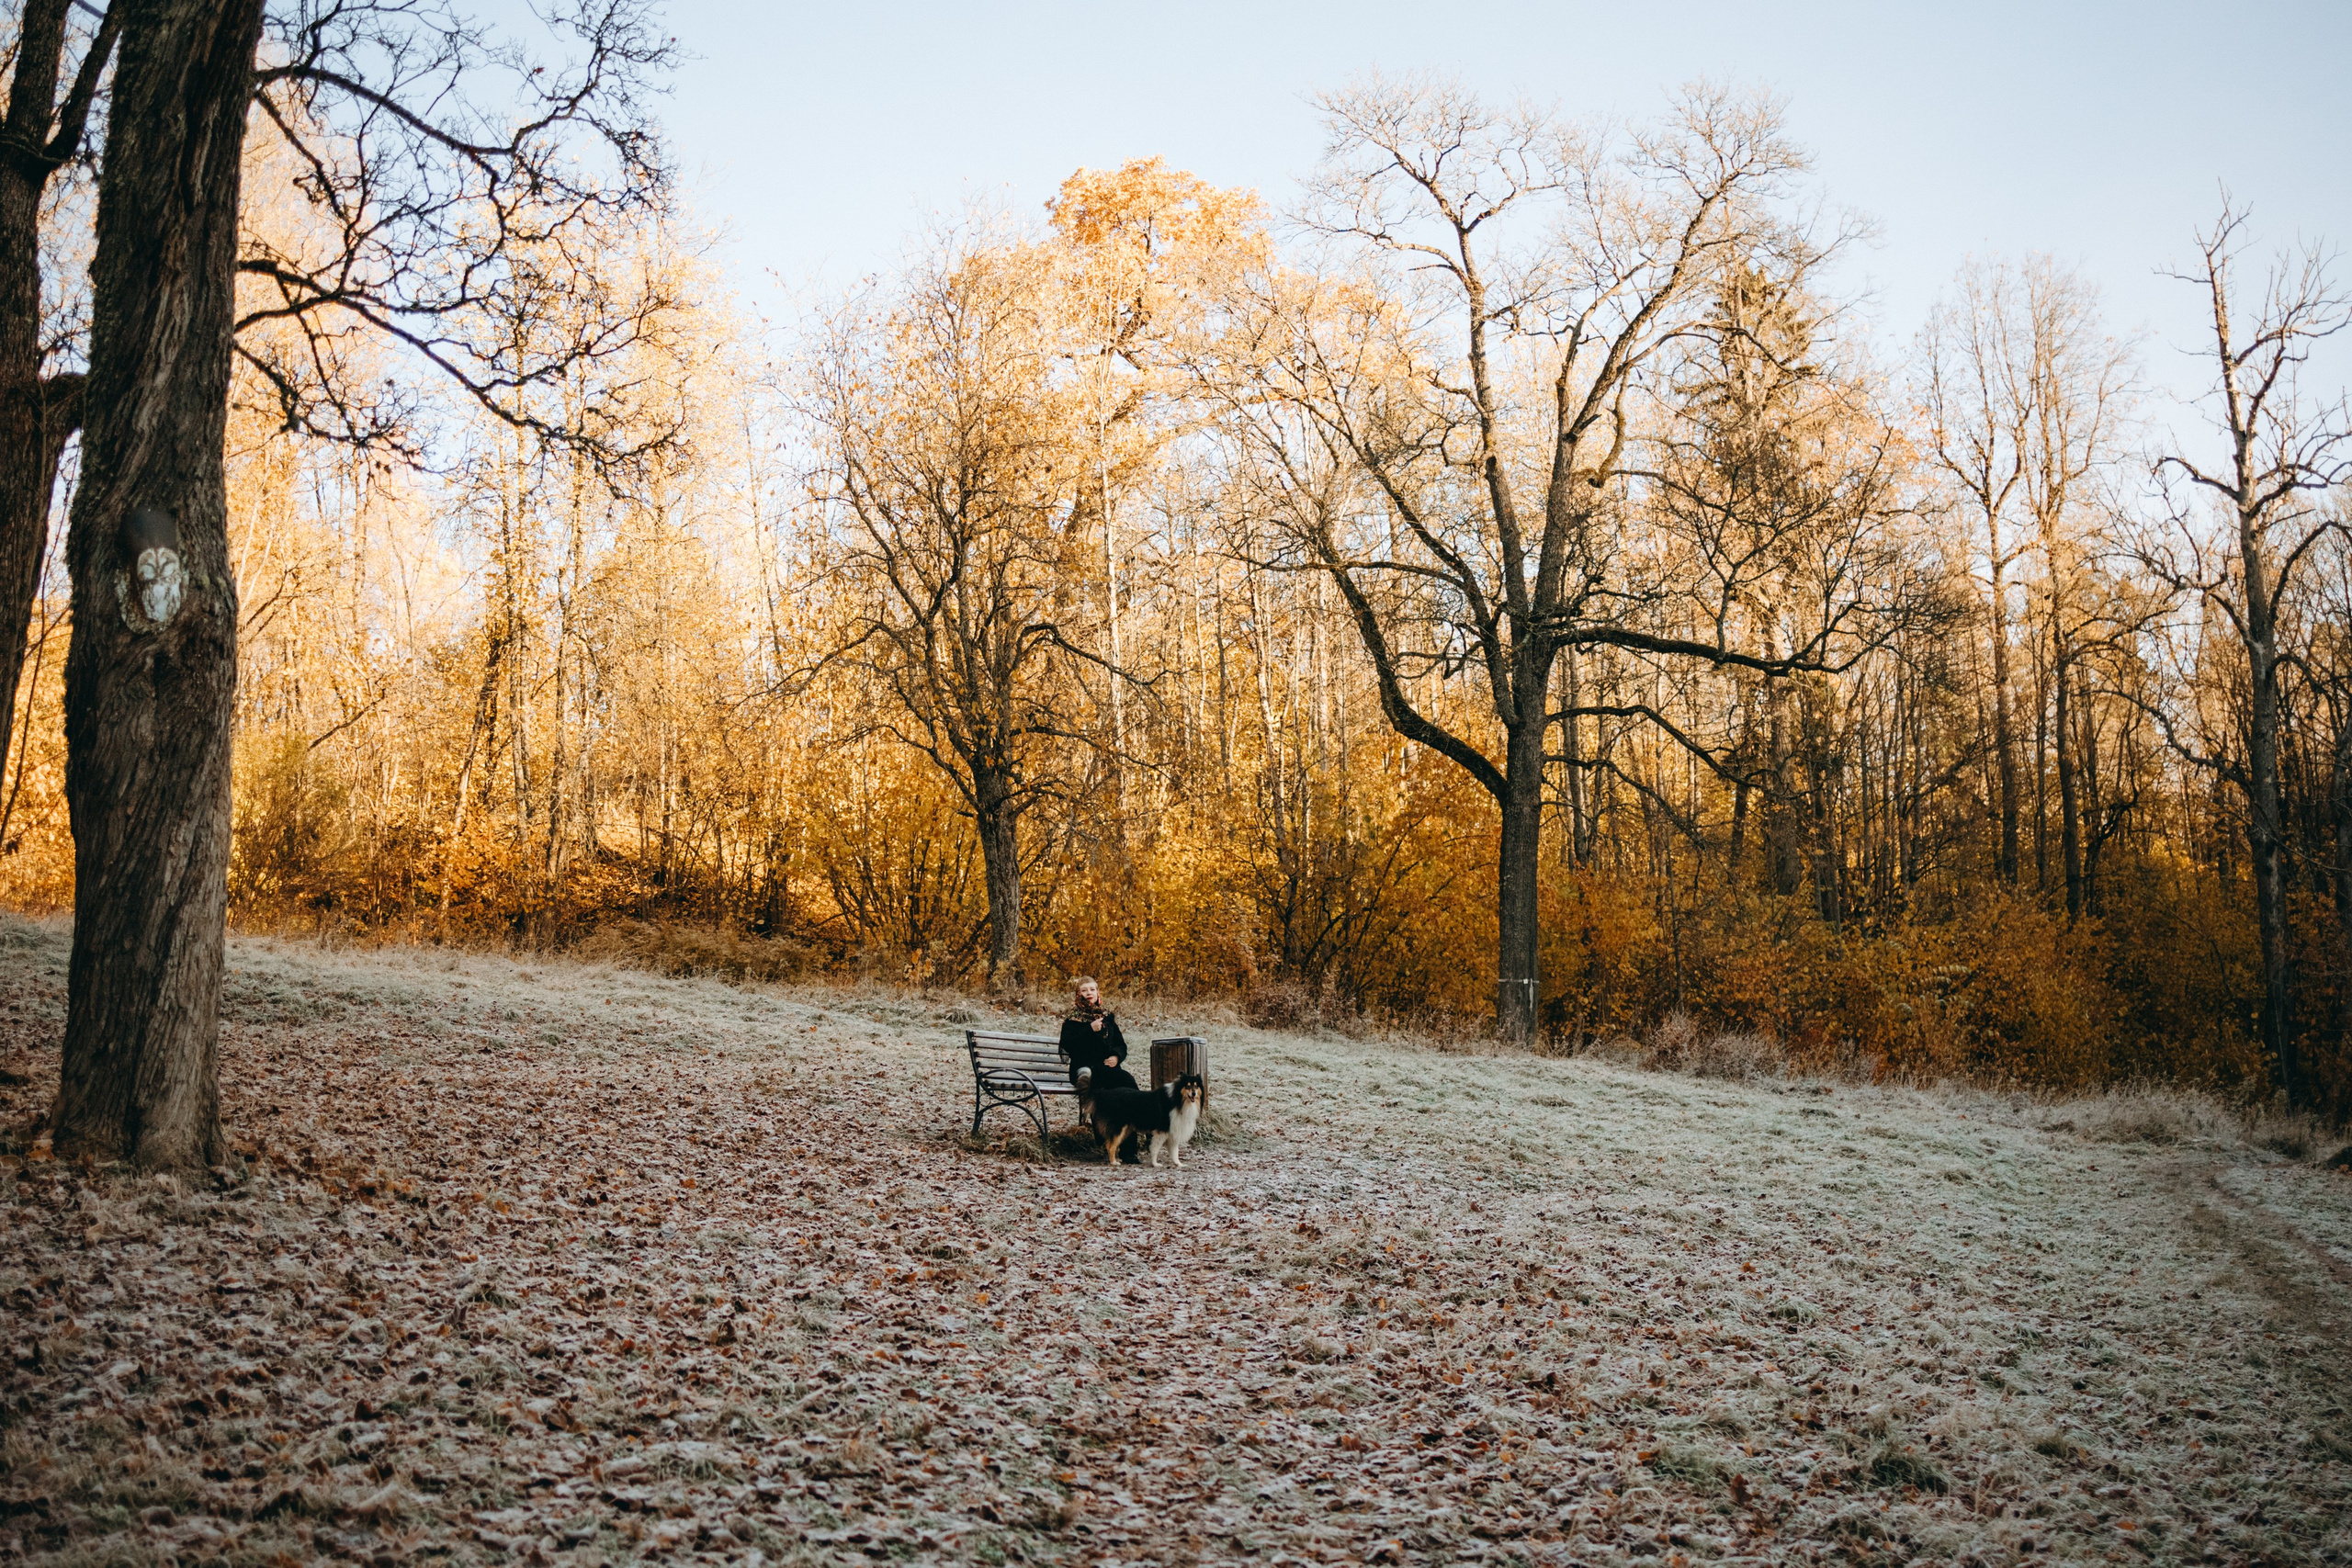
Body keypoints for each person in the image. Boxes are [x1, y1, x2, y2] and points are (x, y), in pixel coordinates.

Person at [1058, 976, 1129, 1087]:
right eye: (1084, 990)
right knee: (1121, 1079)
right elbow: (1068, 1044)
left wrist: (1116, 1057)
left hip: (1106, 1068)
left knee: (1127, 1081)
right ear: (1078, 994)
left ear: (1097, 992)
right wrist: (1090, 1029)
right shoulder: (1072, 1017)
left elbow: (1120, 1044)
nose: (1089, 993)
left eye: (1092, 989)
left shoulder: (1106, 1016)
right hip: (1083, 1069)